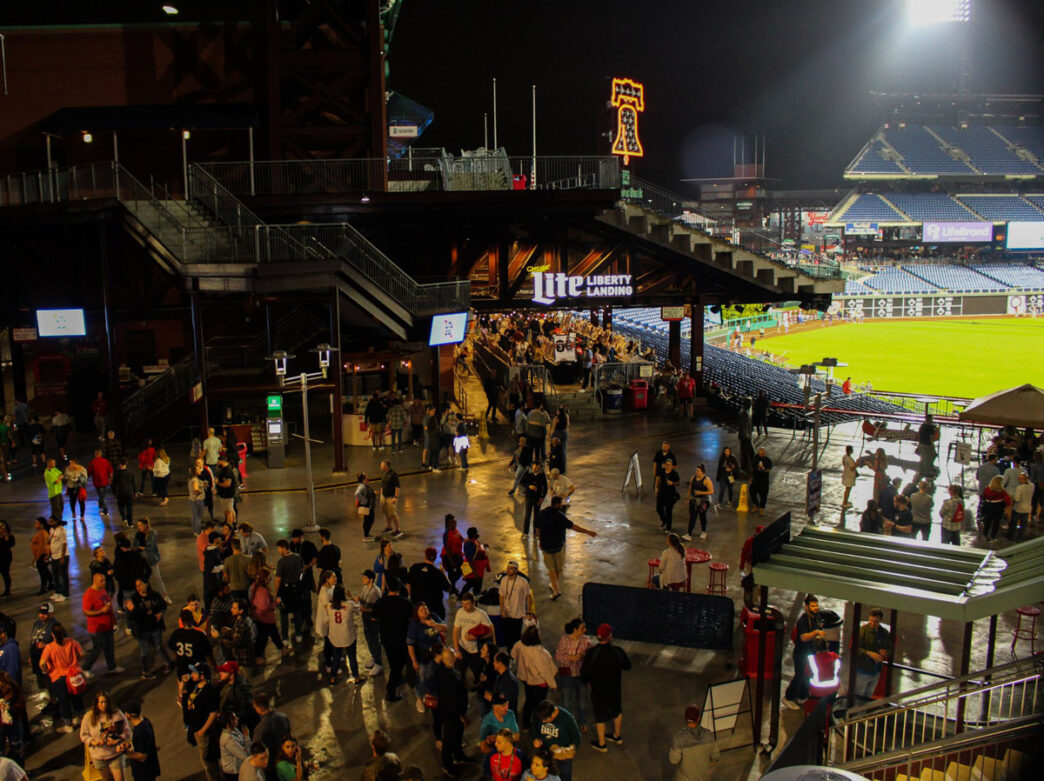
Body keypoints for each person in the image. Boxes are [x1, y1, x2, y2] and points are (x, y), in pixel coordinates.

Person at [535, 497, 597, 600]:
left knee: (551, 568)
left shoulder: (541, 513)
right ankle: (555, 587)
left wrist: (540, 540)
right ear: (557, 504)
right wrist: (588, 532)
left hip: (546, 546)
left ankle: (555, 587)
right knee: (557, 568)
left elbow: (537, 528)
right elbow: (574, 527)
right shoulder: (560, 516)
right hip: (558, 546)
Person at [581, 624, 629, 753]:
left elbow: (584, 673)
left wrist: (588, 682)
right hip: (615, 688)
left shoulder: (591, 653)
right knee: (617, 710)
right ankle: (617, 736)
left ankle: (601, 743)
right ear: (610, 636)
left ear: (598, 636)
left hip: (598, 690)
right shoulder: (618, 651)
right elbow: (627, 666)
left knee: (600, 715)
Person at [432, 645, 473, 777]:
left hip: (453, 712)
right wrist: (460, 715)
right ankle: (447, 765)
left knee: (457, 735)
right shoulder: (448, 678)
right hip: (451, 714)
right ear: (450, 660)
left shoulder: (445, 669)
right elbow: (452, 699)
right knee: (449, 740)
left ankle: (459, 755)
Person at [38, 622, 85, 733]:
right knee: (77, 697)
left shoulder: (49, 648)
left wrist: (46, 670)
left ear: (53, 635)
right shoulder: (72, 642)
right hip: (74, 675)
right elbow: (82, 654)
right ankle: (81, 719)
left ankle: (68, 725)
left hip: (59, 678)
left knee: (64, 701)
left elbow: (42, 663)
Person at [782, 594, 825, 709]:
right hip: (801, 654)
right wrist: (816, 633)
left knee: (807, 675)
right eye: (813, 605)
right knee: (800, 675)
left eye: (816, 605)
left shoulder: (816, 618)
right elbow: (803, 637)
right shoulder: (803, 621)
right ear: (806, 607)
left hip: (811, 653)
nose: (815, 607)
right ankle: (788, 698)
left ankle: (802, 696)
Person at [373, 577, 412, 702]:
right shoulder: (405, 603)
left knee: (392, 661)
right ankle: (391, 690)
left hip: (386, 638)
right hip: (401, 638)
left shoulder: (380, 602)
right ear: (399, 588)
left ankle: (396, 679)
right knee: (398, 665)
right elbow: (411, 619)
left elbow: (374, 618)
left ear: (388, 588)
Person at [124, 578, 172, 680]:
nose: (139, 588)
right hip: (142, 630)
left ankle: (168, 663)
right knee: (145, 650)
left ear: (146, 584)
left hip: (155, 626)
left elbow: (163, 605)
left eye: (140, 584)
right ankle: (144, 671)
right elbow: (131, 617)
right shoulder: (134, 600)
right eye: (137, 586)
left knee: (159, 647)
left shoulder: (154, 595)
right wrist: (132, 610)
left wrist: (161, 613)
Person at [512, 625, 558, 730]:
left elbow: (513, 652)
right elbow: (545, 671)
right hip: (539, 682)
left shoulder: (520, 644)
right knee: (539, 705)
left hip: (526, 679)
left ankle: (526, 724)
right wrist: (552, 684)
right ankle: (538, 726)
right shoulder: (540, 653)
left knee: (529, 700)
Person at [180, 664, 221, 780]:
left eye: (194, 673)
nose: (192, 674)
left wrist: (203, 730)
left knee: (208, 762)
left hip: (202, 730)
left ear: (202, 676)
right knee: (205, 760)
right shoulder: (195, 685)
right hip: (194, 727)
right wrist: (184, 682)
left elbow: (213, 712)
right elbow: (182, 694)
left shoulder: (208, 691)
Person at [81, 570, 125, 676]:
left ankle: (112, 666)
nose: (104, 582)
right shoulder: (89, 594)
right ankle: (85, 667)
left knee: (109, 647)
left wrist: (113, 619)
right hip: (97, 628)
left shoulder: (102, 590)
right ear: (95, 581)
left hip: (107, 625)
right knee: (97, 648)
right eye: (101, 581)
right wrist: (101, 611)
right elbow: (86, 611)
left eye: (104, 580)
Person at [452, 591, 494, 685]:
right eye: (463, 604)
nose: (464, 607)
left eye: (467, 604)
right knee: (460, 671)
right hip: (463, 648)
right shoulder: (460, 612)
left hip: (476, 651)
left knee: (477, 672)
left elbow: (491, 632)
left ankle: (478, 685)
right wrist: (456, 649)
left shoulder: (481, 614)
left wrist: (476, 637)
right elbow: (455, 630)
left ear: (474, 603)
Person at [668, 705, 719, 781]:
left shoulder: (679, 738)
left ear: (686, 719)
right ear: (698, 718)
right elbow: (715, 757)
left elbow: (674, 760)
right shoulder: (708, 735)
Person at [324, 586, 363, 685]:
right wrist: (355, 600)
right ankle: (356, 678)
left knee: (336, 658)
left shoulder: (329, 606)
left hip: (335, 637)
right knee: (352, 658)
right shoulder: (349, 605)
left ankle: (333, 678)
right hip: (348, 636)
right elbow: (358, 611)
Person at [249, 570, 286, 664]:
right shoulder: (263, 590)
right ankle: (258, 656)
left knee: (268, 635)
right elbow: (264, 606)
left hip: (258, 616)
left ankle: (282, 649)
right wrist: (275, 603)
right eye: (268, 577)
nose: (270, 579)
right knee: (265, 636)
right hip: (265, 617)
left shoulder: (254, 586)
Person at [273, 540, 305, 645]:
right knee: (297, 612)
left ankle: (285, 638)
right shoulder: (298, 557)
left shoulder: (281, 562)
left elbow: (278, 579)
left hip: (285, 590)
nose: (278, 551)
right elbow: (302, 571)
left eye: (278, 548)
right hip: (297, 589)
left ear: (283, 548)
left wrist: (276, 592)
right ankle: (299, 635)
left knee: (284, 613)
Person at [854, 608, 891, 700]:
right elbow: (855, 648)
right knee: (859, 696)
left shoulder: (884, 633)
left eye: (876, 622)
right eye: (871, 620)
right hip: (863, 670)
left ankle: (862, 713)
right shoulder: (862, 631)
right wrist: (869, 653)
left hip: (875, 671)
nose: (872, 624)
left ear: (880, 621)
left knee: (868, 695)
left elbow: (890, 648)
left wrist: (885, 652)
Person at [251, 695, 291, 778]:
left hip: (271, 767)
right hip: (286, 759)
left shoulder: (260, 729)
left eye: (255, 707)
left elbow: (256, 750)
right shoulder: (283, 717)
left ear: (260, 709)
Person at [497, 560, 532, 651]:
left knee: (516, 637)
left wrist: (529, 612)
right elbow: (501, 596)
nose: (509, 570)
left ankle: (516, 653)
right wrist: (502, 610)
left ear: (516, 571)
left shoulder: (523, 582)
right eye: (508, 568)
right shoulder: (504, 580)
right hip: (507, 614)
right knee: (507, 636)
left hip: (518, 614)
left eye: (511, 569)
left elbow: (528, 597)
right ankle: (510, 652)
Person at [123, 699, 161, 781]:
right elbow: (144, 743)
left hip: (143, 772)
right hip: (150, 769)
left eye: (126, 712)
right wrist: (131, 744)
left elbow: (142, 757)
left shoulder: (140, 731)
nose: (125, 714)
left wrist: (126, 752)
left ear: (131, 715)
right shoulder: (145, 722)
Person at [406, 547, 451, 615]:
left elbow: (408, 586)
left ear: (425, 556)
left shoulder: (414, 568)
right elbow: (448, 588)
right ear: (435, 557)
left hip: (418, 609)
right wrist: (444, 574)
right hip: (435, 610)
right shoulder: (438, 573)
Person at [134, 518, 170, 603]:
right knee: (145, 580)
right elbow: (135, 546)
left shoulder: (153, 533)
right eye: (138, 525)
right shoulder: (138, 534)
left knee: (158, 578)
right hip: (142, 560)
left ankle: (165, 596)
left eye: (140, 525)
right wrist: (141, 548)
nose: (139, 527)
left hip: (152, 559)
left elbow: (151, 547)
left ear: (145, 525)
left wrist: (142, 547)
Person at [359, 569, 383, 675]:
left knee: (374, 640)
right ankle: (373, 657)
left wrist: (366, 610)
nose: (363, 579)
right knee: (368, 638)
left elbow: (378, 609)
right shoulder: (365, 588)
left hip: (373, 619)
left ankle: (378, 663)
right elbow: (362, 601)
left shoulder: (375, 591)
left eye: (365, 578)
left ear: (371, 579)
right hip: (365, 618)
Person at [519, 462, 549, 539]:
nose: (535, 469)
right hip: (529, 497)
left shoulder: (542, 475)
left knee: (537, 516)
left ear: (539, 467)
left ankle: (536, 533)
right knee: (527, 515)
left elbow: (545, 488)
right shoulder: (528, 473)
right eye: (534, 467)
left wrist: (542, 498)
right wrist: (529, 486)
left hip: (537, 498)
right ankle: (525, 533)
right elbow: (522, 481)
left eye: (536, 467)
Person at [219, 711, 250, 781]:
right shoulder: (227, 738)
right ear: (228, 722)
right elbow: (243, 755)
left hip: (240, 767)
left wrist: (246, 737)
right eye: (234, 718)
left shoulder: (235, 730)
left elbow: (244, 745)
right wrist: (247, 737)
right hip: (234, 772)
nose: (237, 719)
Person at [979, 474, 1011, 542]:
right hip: (998, 507)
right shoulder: (1002, 491)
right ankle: (993, 537)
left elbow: (983, 496)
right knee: (996, 523)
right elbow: (1007, 500)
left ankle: (985, 535)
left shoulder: (987, 489)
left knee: (987, 522)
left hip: (988, 506)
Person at [685, 465, 713, 541]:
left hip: (703, 501)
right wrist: (687, 498)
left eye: (698, 471)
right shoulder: (693, 478)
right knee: (692, 517)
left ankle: (704, 531)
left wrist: (700, 492)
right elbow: (690, 488)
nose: (696, 472)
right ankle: (689, 534)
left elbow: (711, 491)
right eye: (696, 470)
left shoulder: (706, 480)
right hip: (694, 500)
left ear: (702, 472)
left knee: (702, 516)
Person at [378, 460, 403, 537]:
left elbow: (397, 487)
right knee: (386, 512)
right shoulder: (383, 473)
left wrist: (396, 497)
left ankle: (398, 529)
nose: (380, 466)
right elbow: (382, 484)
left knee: (393, 514)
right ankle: (389, 527)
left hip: (391, 497)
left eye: (382, 465)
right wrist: (381, 494)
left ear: (386, 466)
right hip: (384, 496)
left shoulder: (393, 475)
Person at [48, 516, 70, 601]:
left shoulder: (62, 530)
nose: (50, 523)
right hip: (54, 556)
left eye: (52, 521)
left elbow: (64, 544)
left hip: (61, 556)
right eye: (49, 521)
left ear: (56, 521)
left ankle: (65, 594)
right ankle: (57, 592)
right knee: (55, 575)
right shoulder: (51, 530)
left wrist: (62, 557)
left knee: (63, 576)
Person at [656, 461, 681, 532]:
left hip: (670, 494)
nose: (668, 466)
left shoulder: (674, 473)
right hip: (661, 493)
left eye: (669, 465)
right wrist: (656, 488)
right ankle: (664, 520)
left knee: (668, 511)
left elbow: (678, 482)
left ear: (672, 466)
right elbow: (658, 479)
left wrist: (672, 483)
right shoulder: (662, 471)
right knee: (659, 508)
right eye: (666, 464)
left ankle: (668, 527)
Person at [89, 448, 115, 518]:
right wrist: (111, 479)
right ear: (101, 454)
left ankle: (105, 510)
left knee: (102, 496)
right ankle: (101, 509)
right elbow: (111, 471)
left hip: (97, 483)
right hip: (105, 482)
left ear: (95, 455)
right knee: (102, 495)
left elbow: (89, 472)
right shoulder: (105, 461)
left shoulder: (92, 462)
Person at [1009, 471, 1034, 541]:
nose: (1018, 480)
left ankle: (1011, 535)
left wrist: (1012, 496)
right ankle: (1021, 537)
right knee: (1023, 524)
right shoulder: (1032, 486)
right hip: (1027, 507)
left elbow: (1017, 499)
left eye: (1019, 478)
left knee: (1014, 522)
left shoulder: (1020, 488)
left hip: (1018, 508)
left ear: (1023, 479)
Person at [215, 454, 237, 526]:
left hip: (227, 495)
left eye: (218, 461)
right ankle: (233, 524)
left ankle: (229, 526)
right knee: (230, 510)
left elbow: (227, 484)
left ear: (221, 461)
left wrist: (218, 483)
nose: (217, 463)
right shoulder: (225, 469)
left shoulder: (227, 471)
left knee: (228, 512)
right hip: (226, 494)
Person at [355, 472, 378, 542]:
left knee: (369, 520)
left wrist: (373, 493)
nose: (368, 478)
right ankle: (366, 536)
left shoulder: (364, 485)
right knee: (368, 520)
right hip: (367, 506)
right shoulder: (362, 486)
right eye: (366, 477)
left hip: (369, 506)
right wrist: (365, 501)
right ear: (363, 479)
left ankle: (367, 534)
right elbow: (357, 494)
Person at [64, 457, 89, 522]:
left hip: (79, 487)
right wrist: (71, 477)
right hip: (71, 486)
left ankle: (82, 515)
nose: (71, 464)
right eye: (70, 463)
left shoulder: (82, 469)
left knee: (81, 501)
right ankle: (73, 512)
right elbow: (66, 476)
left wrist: (78, 478)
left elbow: (85, 477)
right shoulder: (68, 468)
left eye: (72, 463)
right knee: (72, 501)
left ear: (76, 463)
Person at [750, 447, 773, 515]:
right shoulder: (755, 458)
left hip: (764, 480)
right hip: (756, 479)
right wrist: (751, 478)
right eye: (760, 451)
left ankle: (761, 508)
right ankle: (756, 504)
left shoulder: (767, 460)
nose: (761, 453)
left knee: (763, 495)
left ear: (764, 453)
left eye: (762, 452)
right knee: (752, 492)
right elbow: (752, 468)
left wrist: (763, 469)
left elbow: (768, 470)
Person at [917, 414, 937, 479]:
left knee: (922, 459)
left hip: (921, 444)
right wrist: (933, 447)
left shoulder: (922, 426)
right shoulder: (931, 427)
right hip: (928, 445)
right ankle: (927, 473)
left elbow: (919, 435)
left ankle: (921, 472)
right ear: (930, 419)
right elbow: (931, 438)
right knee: (927, 460)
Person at [737, 400, 755, 472]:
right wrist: (747, 436)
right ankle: (748, 467)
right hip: (745, 436)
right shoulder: (745, 413)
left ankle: (745, 466)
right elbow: (744, 426)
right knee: (750, 452)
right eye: (750, 404)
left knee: (745, 452)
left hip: (744, 435)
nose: (751, 405)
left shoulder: (744, 411)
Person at [841, 445, 858, 509]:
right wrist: (856, 463)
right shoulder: (849, 459)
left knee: (847, 489)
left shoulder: (845, 457)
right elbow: (852, 468)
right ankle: (845, 502)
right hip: (849, 476)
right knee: (848, 489)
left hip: (846, 474)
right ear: (850, 451)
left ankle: (845, 501)